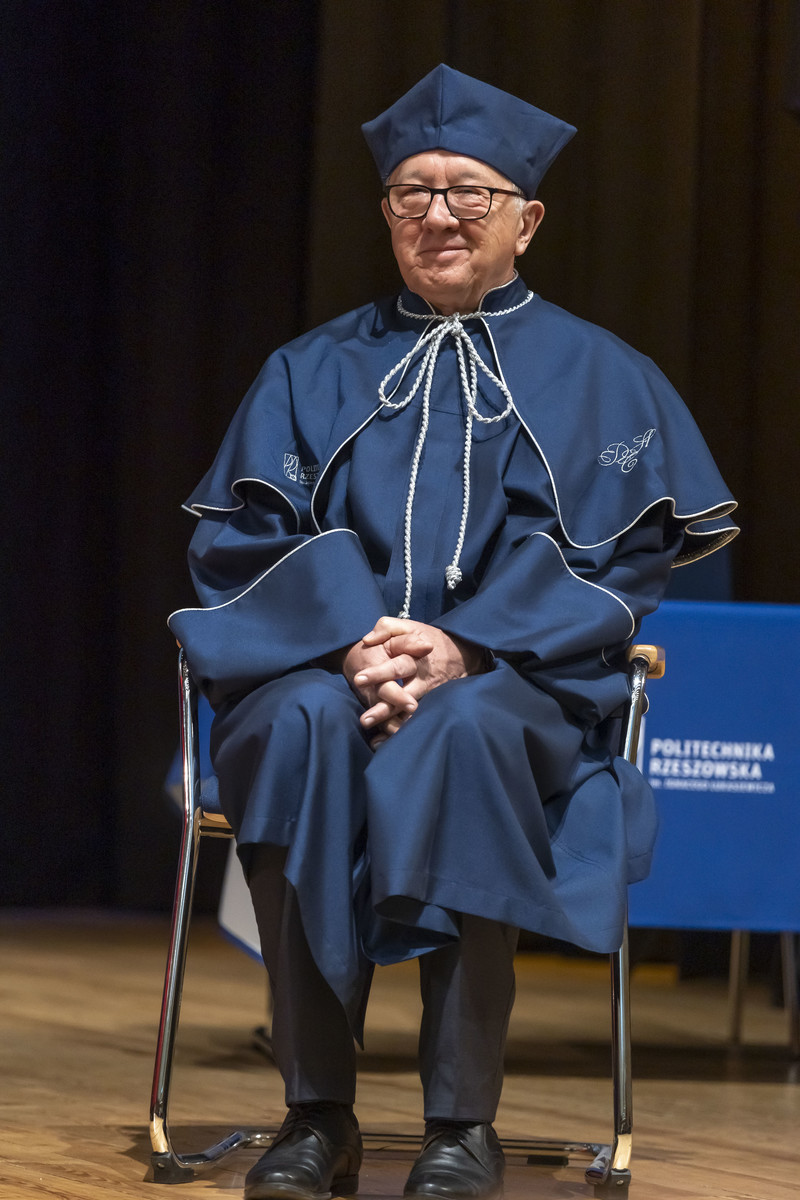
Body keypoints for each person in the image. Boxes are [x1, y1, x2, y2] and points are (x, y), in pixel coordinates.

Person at [169, 65, 738, 1200]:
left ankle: (460, 1124)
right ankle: (315, 1116)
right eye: (411, 193)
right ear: (386, 214)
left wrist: (463, 647)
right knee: (296, 730)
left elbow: (621, 562)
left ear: (527, 219)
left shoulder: (602, 375)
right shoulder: (308, 370)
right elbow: (243, 541)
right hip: (325, 673)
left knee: (466, 731)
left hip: (513, 685)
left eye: (469, 192)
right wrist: (351, 642)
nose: (438, 214)